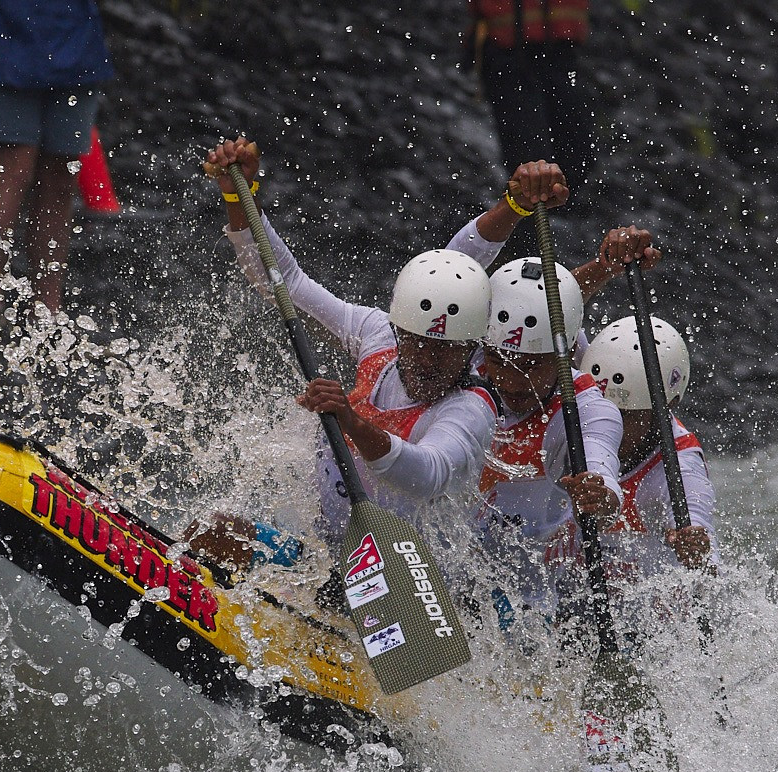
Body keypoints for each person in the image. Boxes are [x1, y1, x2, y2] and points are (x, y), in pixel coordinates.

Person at [191, 138, 528, 578]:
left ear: (471, 349)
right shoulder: (376, 334)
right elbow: (284, 283)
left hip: (415, 586)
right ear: (400, 330)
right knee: (211, 532)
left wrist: (350, 421)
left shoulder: (471, 409)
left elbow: (426, 474)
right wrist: (241, 196)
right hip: (326, 559)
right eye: (419, 343)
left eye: (447, 351)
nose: (429, 360)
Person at [0, 0, 114, 321]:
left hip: (75, 40)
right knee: (14, 170)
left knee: (61, 177)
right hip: (9, 36)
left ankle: (46, 306)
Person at [580, 316, 718, 576]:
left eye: (624, 415)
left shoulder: (680, 466)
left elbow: (698, 524)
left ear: (666, 408)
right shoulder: (576, 404)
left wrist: (698, 553)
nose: (606, 425)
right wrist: (604, 272)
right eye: (599, 410)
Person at [465, 0, 595, 187]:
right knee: (529, 158)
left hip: (561, 52)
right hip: (508, 54)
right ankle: (534, 210)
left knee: (576, 151)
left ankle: (557, 206)